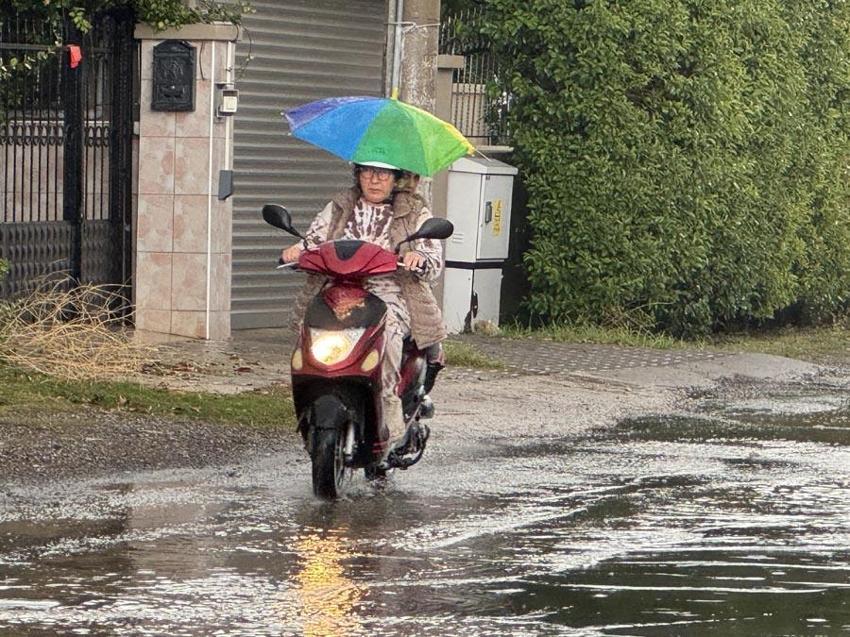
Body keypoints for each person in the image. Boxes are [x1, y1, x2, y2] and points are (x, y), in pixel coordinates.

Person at [280, 161, 447, 452]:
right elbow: (315, 239)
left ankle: (389, 405)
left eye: (383, 174)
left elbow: (432, 257)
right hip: (339, 290)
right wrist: (297, 250)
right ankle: (312, 395)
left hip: (391, 291)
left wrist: (419, 258)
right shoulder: (340, 206)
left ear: (396, 178)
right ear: (357, 174)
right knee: (310, 334)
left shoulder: (414, 211)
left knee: (390, 334)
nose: (374, 179)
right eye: (367, 172)